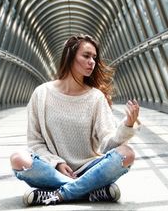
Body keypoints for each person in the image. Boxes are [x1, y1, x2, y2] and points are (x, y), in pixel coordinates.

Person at [10, 34, 141, 206]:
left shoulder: (96, 97)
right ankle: (91, 191)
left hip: (91, 168)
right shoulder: (41, 94)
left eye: (94, 57)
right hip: (53, 169)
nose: (92, 62)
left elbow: (107, 145)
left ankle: (60, 194)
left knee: (127, 154)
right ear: (70, 56)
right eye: (86, 56)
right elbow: (35, 142)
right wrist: (56, 163)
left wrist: (127, 125)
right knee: (18, 158)